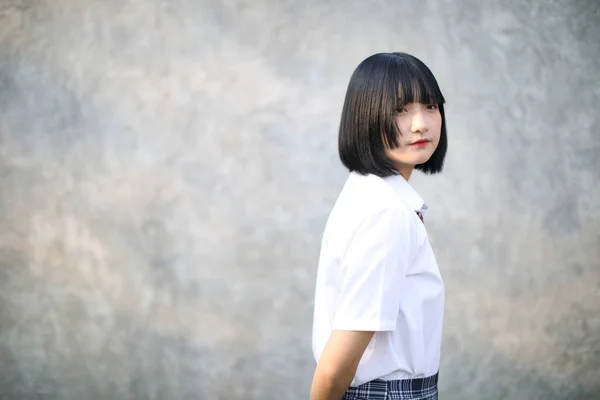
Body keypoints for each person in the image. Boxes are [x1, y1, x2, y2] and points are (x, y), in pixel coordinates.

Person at [310, 52, 448, 400]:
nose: (420, 124)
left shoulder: (373, 194)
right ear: (366, 117)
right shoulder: (385, 212)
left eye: (430, 106)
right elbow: (334, 368)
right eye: (401, 110)